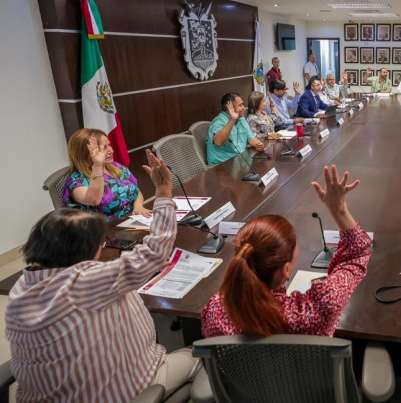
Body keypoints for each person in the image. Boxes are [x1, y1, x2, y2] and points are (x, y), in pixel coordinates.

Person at [7, 150, 202, 402]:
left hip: (45, 396)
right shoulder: (87, 282)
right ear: (90, 250)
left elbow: (88, 286)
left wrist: (130, 268)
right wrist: (164, 191)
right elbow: (156, 251)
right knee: (207, 355)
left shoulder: (22, 286)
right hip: (121, 391)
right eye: (103, 242)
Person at [202, 165, 372, 338]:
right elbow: (358, 253)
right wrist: (339, 209)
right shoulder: (314, 311)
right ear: (285, 271)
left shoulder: (215, 310)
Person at [62, 129, 148, 221]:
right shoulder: (76, 182)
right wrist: (97, 165)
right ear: (85, 153)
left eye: (109, 145)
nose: (111, 151)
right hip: (103, 230)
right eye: (103, 148)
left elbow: (136, 191)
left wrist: (138, 206)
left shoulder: (117, 167)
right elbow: (94, 200)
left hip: (131, 220)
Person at [207, 93, 266, 165]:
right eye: (240, 105)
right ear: (230, 107)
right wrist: (232, 120)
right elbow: (218, 142)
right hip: (222, 164)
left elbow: (251, 138)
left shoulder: (241, 119)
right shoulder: (219, 121)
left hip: (240, 160)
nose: (243, 107)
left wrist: (259, 145)